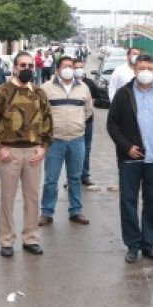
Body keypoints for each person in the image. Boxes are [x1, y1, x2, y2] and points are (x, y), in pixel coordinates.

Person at [107, 53, 153, 264]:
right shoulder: (123, 94)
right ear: (135, 70)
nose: (145, 72)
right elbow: (112, 125)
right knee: (128, 202)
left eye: (149, 68)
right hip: (130, 160)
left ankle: (149, 243)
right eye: (141, 68)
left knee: (152, 202)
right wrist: (127, 147)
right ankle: (132, 245)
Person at [0, 51, 53, 257]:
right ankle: (6, 241)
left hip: (33, 152)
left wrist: (43, 148)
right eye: (22, 65)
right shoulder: (2, 92)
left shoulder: (39, 93)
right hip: (10, 152)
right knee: (8, 198)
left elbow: (48, 122)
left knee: (32, 197)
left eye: (30, 66)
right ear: (14, 67)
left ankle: (31, 238)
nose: (27, 69)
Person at [39, 55, 93, 226]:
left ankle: (76, 211)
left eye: (71, 66)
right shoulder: (46, 88)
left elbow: (88, 112)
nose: (69, 69)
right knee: (51, 179)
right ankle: (47, 212)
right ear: (57, 70)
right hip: (55, 141)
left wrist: (76, 125)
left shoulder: (83, 88)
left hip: (77, 140)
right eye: (65, 66)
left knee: (75, 178)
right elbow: (40, 113)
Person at [74, 57, 98, 186]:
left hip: (87, 121)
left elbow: (92, 101)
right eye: (75, 68)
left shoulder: (90, 83)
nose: (78, 70)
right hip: (73, 123)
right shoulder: (68, 84)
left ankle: (85, 175)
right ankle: (72, 176)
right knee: (72, 150)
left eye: (80, 67)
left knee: (86, 149)